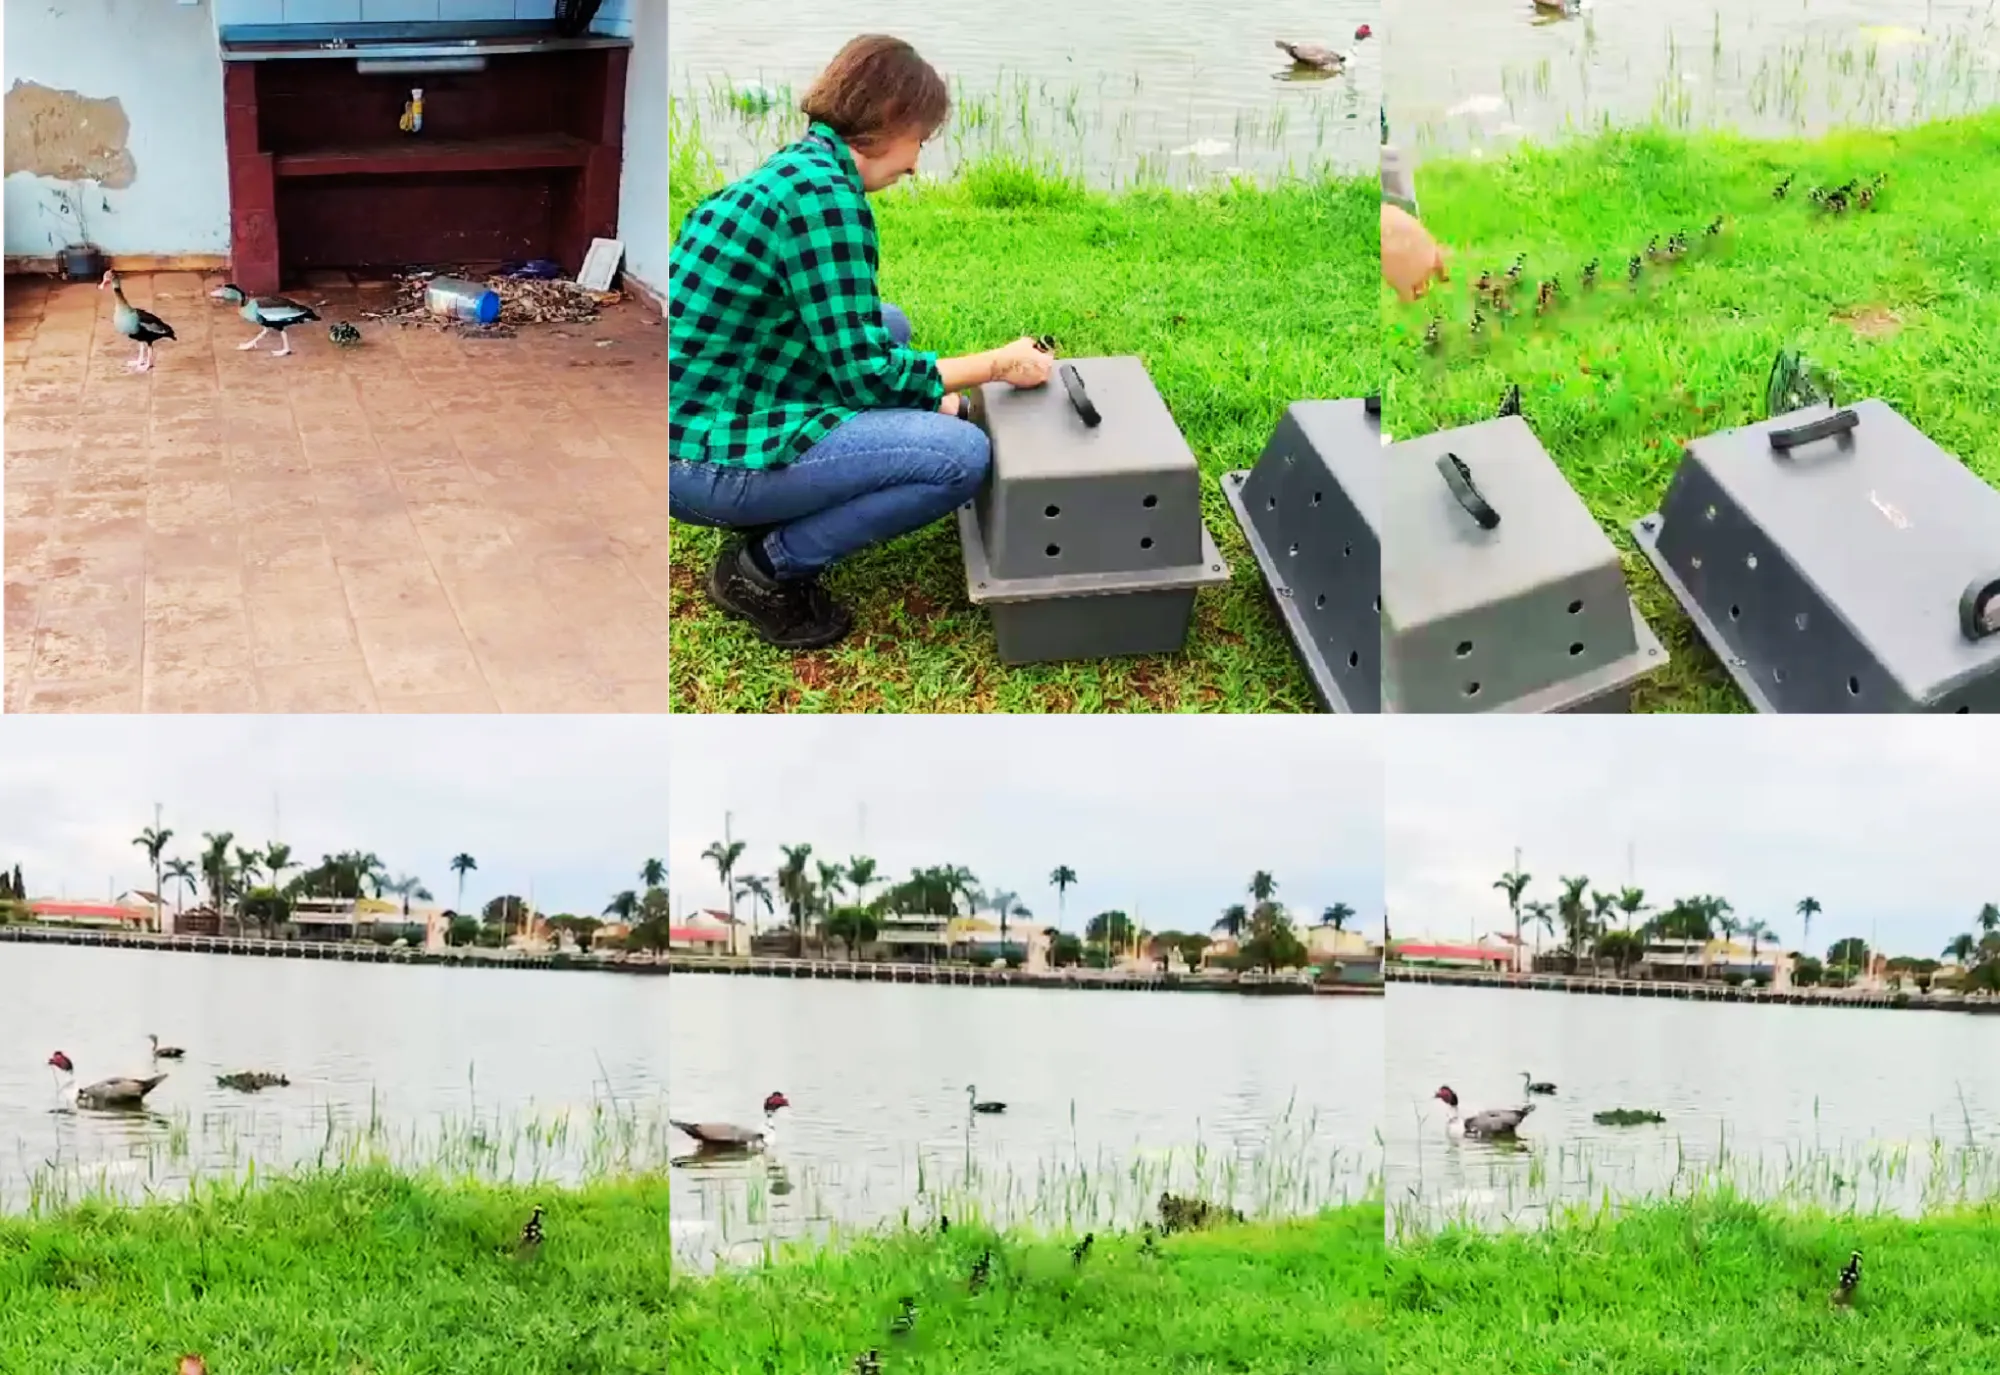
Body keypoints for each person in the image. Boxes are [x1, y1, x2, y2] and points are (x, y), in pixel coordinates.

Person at [670, 34, 1057, 650]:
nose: (915, 164)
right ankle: (764, 569)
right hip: (698, 463)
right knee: (959, 457)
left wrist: (929, 394)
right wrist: (995, 365)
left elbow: (856, 342)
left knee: (890, 321)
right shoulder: (825, 201)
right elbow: (869, 376)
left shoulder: (801, 168)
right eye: (919, 142)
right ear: (893, 122)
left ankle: (786, 500)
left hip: (697, 413)